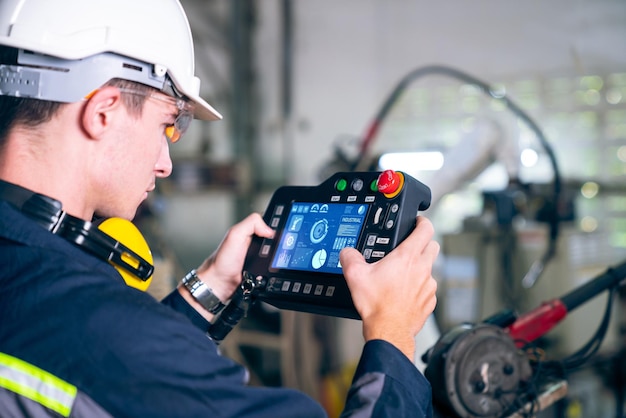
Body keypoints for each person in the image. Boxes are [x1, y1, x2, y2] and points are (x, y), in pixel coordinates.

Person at [0, 0, 439, 417]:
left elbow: (107, 380)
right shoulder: (106, 329)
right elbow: (120, 355)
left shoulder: (44, 291)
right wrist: (393, 336)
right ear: (104, 113)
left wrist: (205, 290)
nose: (165, 164)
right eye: (167, 127)